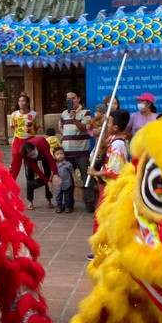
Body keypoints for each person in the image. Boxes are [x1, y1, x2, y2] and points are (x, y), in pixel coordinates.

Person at [87, 108, 131, 241]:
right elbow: (104, 140)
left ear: (116, 127)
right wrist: (106, 124)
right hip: (110, 186)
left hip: (112, 188)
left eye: (110, 123)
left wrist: (95, 172)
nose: (108, 124)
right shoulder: (119, 138)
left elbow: (114, 172)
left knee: (100, 218)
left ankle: (101, 250)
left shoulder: (118, 144)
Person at [59, 91, 94, 210]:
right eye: (68, 99)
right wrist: (65, 136)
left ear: (78, 98)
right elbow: (60, 126)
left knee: (86, 177)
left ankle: (89, 203)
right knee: (67, 178)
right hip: (67, 152)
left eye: (73, 98)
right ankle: (69, 204)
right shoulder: (64, 113)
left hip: (82, 151)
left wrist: (74, 119)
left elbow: (85, 129)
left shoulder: (86, 112)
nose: (71, 101)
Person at [21, 135, 60, 210]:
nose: (33, 156)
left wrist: (55, 174)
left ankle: (49, 200)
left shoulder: (41, 142)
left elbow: (50, 159)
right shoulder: (27, 157)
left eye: (33, 154)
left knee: (48, 172)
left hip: (43, 154)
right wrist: (46, 181)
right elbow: (37, 170)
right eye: (31, 155)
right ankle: (30, 201)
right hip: (32, 161)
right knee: (30, 177)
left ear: (35, 148)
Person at [8, 94, 38, 179]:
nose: (21, 103)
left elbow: (36, 127)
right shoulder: (14, 114)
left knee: (32, 161)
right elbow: (13, 126)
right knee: (15, 163)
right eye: (19, 101)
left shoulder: (34, 114)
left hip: (30, 139)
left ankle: (32, 181)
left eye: (23, 101)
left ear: (28, 103)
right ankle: (10, 183)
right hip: (18, 140)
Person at [53, 146, 76, 213]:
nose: (60, 155)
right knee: (58, 196)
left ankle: (68, 207)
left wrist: (74, 179)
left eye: (61, 154)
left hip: (67, 183)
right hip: (58, 184)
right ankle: (59, 206)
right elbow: (53, 173)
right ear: (54, 156)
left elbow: (72, 172)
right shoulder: (54, 165)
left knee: (67, 196)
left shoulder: (68, 164)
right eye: (57, 154)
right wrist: (51, 180)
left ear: (64, 154)